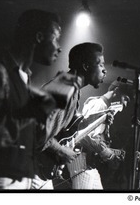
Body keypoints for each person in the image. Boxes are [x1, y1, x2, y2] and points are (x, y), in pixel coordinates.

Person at [0, 9, 63, 190]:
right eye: (55, 39)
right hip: (1, 181)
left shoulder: (25, 78)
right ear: (39, 37)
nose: (59, 47)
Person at [32, 42, 113, 189]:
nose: (105, 70)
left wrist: (98, 117)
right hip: (30, 171)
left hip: (38, 170)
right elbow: (35, 128)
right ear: (86, 66)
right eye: (100, 64)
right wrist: (59, 150)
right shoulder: (64, 87)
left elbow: (67, 127)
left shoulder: (72, 89)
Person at [68, 81, 132, 189]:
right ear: (116, 90)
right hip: (81, 158)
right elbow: (83, 135)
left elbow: (94, 135)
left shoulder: (104, 106)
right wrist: (107, 153)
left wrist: (112, 152)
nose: (125, 104)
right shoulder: (99, 104)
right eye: (125, 98)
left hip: (88, 161)